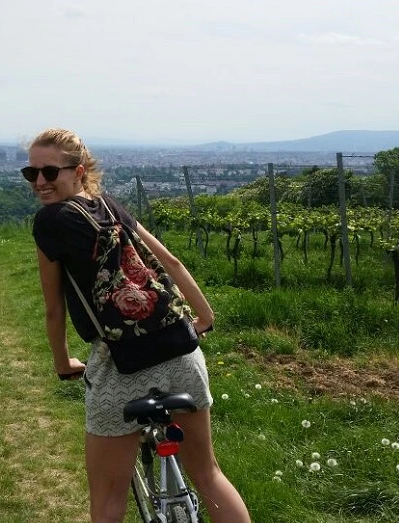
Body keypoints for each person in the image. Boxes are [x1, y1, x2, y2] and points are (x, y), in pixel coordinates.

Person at [28, 128, 251, 523]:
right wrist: (204, 316)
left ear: (78, 171)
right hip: (181, 349)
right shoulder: (112, 206)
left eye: (49, 173)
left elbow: (53, 308)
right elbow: (171, 262)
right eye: (32, 174)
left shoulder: (50, 221)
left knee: (109, 498)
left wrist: (63, 363)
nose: (40, 182)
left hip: (120, 364)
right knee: (209, 474)